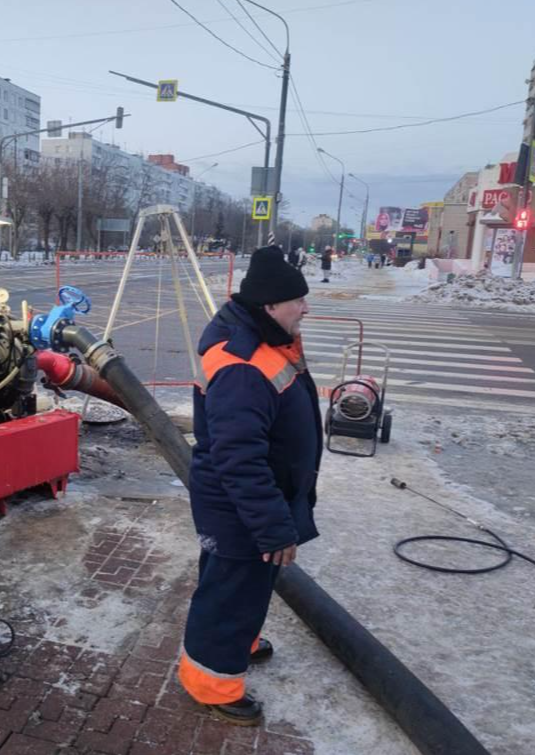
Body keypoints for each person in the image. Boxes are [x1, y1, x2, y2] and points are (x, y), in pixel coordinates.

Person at [178, 246, 322, 726]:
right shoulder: (243, 363)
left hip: (256, 505)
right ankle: (210, 684)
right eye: (297, 300)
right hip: (241, 508)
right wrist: (273, 527)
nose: (305, 307)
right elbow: (238, 460)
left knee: (244, 587)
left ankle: (237, 642)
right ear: (270, 306)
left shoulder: (270, 341)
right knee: (229, 593)